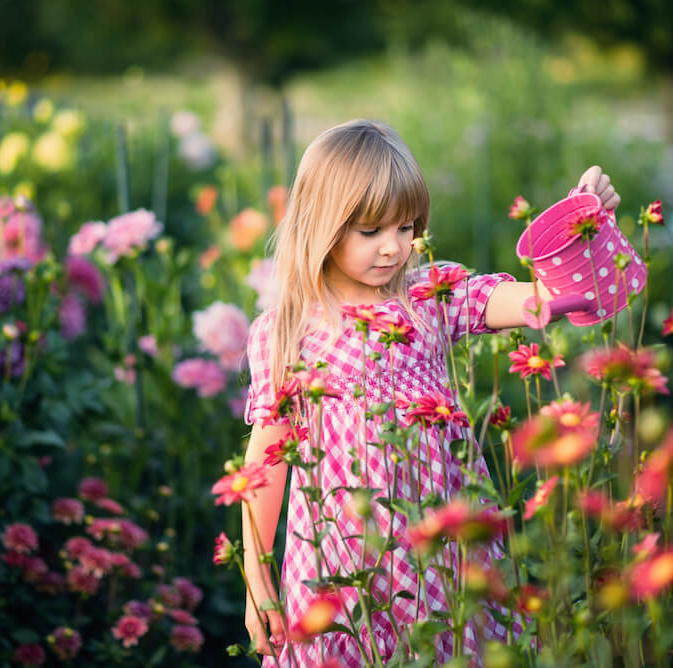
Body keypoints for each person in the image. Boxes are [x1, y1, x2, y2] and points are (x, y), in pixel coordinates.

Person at [241, 119, 619, 666]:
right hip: (338, 565)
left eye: (406, 227)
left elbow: (544, 301)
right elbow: (265, 466)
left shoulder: (432, 297)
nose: (393, 248)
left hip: (443, 557)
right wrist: (256, 578)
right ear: (322, 226)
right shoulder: (286, 334)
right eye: (370, 231)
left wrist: (578, 226)